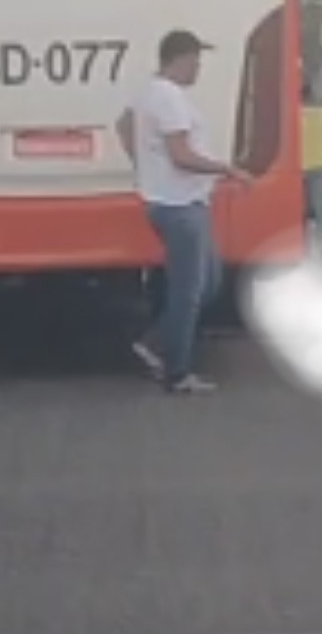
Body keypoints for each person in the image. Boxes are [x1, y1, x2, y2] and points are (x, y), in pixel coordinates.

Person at [115, 29, 250, 395]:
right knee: (190, 291)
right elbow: (181, 155)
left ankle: (156, 343)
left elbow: (123, 125)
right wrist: (227, 169)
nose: (198, 68)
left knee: (210, 281)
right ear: (179, 59)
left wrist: (143, 165)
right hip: (180, 207)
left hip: (175, 202)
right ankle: (177, 372)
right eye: (195, 60)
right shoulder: (170, 99)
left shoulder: (147, 93)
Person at [299, 81, 322, 241]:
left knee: (298, 214)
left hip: (297, 171)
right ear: (312, 95)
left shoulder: (291, 116)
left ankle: (299, 248)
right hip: (321, 167)